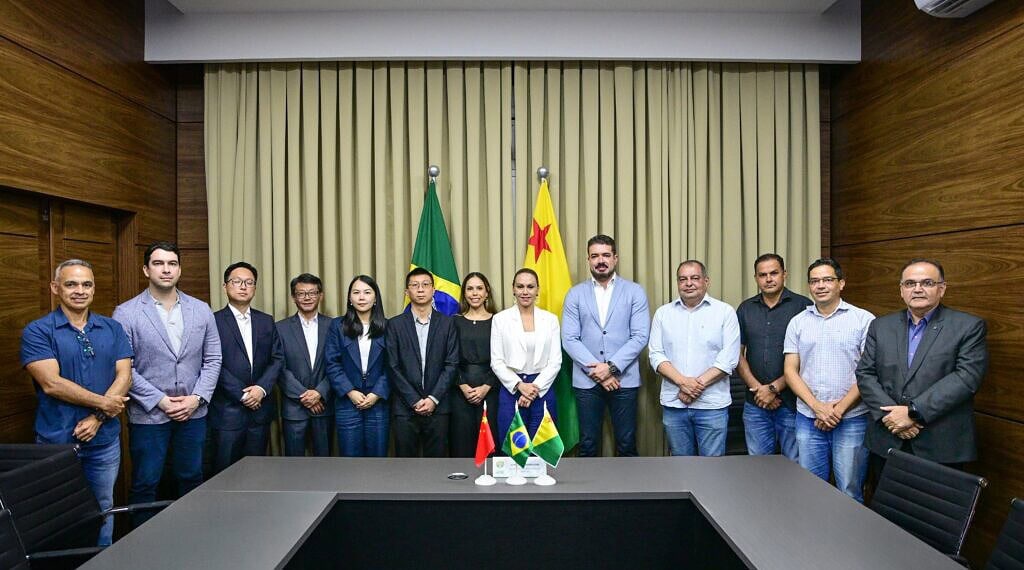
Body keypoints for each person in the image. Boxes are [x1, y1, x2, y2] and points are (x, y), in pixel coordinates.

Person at [21, 259, 132, 546]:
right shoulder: (38, 331)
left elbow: (124, 375)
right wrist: (106, 404)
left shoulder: (112, 328)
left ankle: (101, 562)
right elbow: (51, 383)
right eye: (71, 284)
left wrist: (98, 416)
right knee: (58, 515)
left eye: (86, 284)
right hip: (57, 443)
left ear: (94, 289)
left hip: (104, 441)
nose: (79, 290)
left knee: (103, 509)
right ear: (55, 288)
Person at [113, 242, 221, 527]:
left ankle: (192, 535)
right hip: (149, 415)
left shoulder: (201, 309)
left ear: (180, 269)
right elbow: (125, 368)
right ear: (146, 269)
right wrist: (159, 400)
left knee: (191, 477)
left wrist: (197, 398)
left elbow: (213, 359)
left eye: (172, 263)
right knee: (146, 482)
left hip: (193, 413)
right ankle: (141, 547)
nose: (166, 269)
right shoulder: (126, 313)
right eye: (159, 263)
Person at [856, 258, 987, 470]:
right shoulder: (880, 326)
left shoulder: (968, 326)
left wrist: (912, 412)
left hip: (940, 443)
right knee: (886, 504)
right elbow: (865, 373)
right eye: (910, 284)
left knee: (938, 504)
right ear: (901, 290)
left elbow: (966, 378)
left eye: (927, 283)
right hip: (888, 438)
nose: (917, 289)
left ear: (942, 289)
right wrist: (891, 417)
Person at [784, 258, 874, 502]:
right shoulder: (798, 322)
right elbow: (791, 370)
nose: (820, 285)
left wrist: (837, 410)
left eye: (827, 280)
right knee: (811, 490)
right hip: (808, 418)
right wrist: (817, 407)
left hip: (851, 419)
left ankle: (850, 541)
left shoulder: (864, 320)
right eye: (814, 281)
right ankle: (813, 540)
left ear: (841, 283)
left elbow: (869, 372)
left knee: (849, 490)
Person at [562, 234, 650, 457]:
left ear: (615, 258)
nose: (600, 260)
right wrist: (598, 371)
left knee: (627, 443)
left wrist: (610, 367)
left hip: (624, 380)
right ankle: (589, 492)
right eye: (595, 256)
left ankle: (628, 491)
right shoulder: (575, 294)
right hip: (587, 381)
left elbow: (640, 336)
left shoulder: (634, 292)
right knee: (588, 444)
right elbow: (569, 338)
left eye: (605, 255)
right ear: (588, 260)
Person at [649, 260, 740, 457]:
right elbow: (656, 354)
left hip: (712, 406)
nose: (688, 283)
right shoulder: (663, 314)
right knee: (681, 468)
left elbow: (728, 359)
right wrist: (683, 383)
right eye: (683, 279)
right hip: (675, 405)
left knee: (712, 468)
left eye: (694, 278)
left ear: (706, 281)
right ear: (678, 283)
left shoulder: (725, 312)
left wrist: (693, 387)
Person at [735, 253, 811, 461]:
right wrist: (760, 390)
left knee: (795, 466)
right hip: (755, 403)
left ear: (784, 274)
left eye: (774, 273)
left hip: (792, 403)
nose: (768, 279)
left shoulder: (803, 306)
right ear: (756, 278)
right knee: (758, 466)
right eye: (763, 275)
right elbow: (738, 355)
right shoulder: (745, 308)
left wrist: (773, 389)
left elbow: (807, 358)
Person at [211, 261, 284, 472]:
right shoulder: (212, 321)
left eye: (249, 282)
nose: (243, 286)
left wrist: (261, 389)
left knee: (256, 472)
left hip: (260, 410)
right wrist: (242, 395)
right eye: (237, 281)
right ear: (225, 286)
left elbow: (277, 358)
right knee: (224, 472)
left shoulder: (266, 321)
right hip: (227, 411)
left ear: (254, 288)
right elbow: (212, 362)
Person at [386, 268, 459, 457]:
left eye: (425, 285)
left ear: (433, 290)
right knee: (405, 467)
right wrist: (414, 400)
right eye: (414, 285)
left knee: (437, 467)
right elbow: (392, 367)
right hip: (405, 408)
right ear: (406, 292)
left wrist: (432, 399)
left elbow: (451, 364)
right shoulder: (394, 325)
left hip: (439, 406)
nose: (420, 290)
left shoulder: (448, 323)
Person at [490, 268, 562, 439]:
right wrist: (521, 387)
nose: (525, 291)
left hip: (543, 388)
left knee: (542, 449)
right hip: (512, 390)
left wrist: (533, 390)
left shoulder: (550, 319)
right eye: (520, 286)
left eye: (530, 287)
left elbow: (555, 361)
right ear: (513, 288)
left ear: (538, 289)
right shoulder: (500, 319)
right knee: (514, 449)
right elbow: (497, 362)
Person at [325, 275, 391, 457]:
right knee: (350, 458)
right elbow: (332, 363)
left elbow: (392, 365)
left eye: (367, 292)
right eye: (356, 293)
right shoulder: (337, 326)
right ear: (349, 298)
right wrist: (350, 391)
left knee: (378, 458)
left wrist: (376, 393)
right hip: (347, 402)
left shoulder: (388, 326)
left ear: (375, 298)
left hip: (377, 402)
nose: (362, 297)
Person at [275, 273, 332, 457]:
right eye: (301, 293)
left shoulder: (334, 326)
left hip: (324, 407)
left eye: (312, 293)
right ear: (293, 297)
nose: (307, 298)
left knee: (325, 464)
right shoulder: (279, 328)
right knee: (293, 466)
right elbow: (279, 367)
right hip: (294, 409)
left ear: (320, 295)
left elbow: (338, 365)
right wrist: (304, 396)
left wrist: (319, 393)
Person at [449, 272, 500, 458]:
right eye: (470, 289)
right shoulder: (454, 321)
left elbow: (503, 359)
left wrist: (487, 386)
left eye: (479, 288)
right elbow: (448, 358)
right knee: (461, 443)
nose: (475, 293)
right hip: (460, 390)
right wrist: (462, 385)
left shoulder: (499, 321)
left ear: (487, 293)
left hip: (491, 389)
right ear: (464, 293)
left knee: (490, 442)